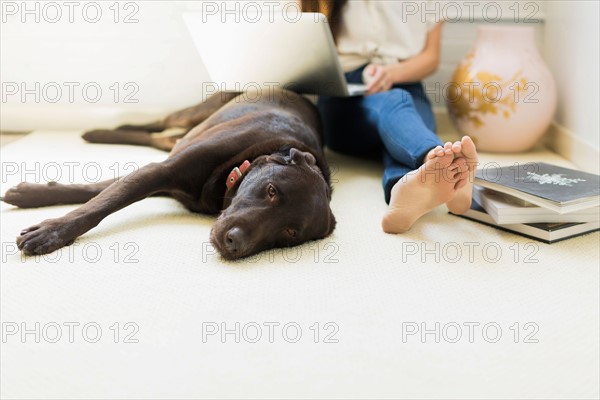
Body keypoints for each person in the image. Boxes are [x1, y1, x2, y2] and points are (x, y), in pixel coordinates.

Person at [299, 0, 479, 233]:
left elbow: (431, 57)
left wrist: (392, 73)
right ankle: (447, 167)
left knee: (408, 122)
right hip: (345, 97)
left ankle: (402, 191)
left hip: (406, 84)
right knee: (400, 107)